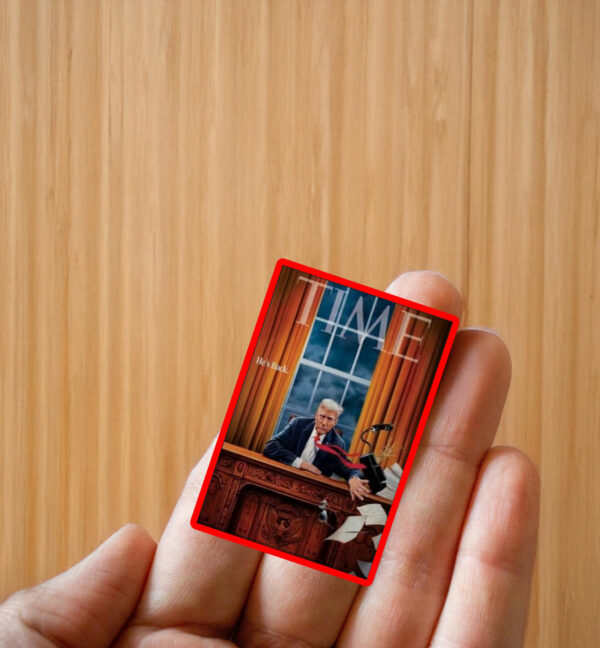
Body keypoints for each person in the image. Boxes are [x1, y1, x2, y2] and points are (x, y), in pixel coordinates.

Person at [0, 272, 540, 647]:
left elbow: (348, 467)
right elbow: (276, 450)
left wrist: (357, 477)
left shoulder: (336, 441)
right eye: (324, 419)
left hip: (316, 522)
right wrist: (298, 464)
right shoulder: (297, 425)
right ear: (317, 415)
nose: (326, 425)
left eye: (332, 421)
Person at [263, 398, 372, 501]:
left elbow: (350, 468)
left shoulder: (337, 443)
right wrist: (301, 463)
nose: (324, 423)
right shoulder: (298, 424)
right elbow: (270, 446)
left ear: (335, 422)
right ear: (316, 415)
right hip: (282, 481)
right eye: (322, 416)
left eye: (329, 419)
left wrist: (354, 479)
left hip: (310, 494)